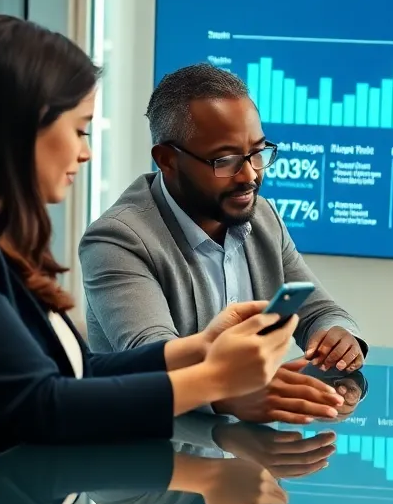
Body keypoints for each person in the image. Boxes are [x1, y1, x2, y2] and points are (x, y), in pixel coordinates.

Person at [0, 16, 298, 504]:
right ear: (16, 127)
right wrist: (213, 381)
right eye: (78, 129)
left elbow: (74, 373)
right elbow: (41, 407)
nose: (85, 152)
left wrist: (198, 350)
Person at [80, 63, 367, 424]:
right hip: (149, 459)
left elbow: (318, 310)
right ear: (167, 160)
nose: (249, 175)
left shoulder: (262, 216)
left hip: (244, 453)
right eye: (226, 160)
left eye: (258, 153)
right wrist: (225, 397)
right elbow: (152, 359)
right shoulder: (117, 239)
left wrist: (336, 335)